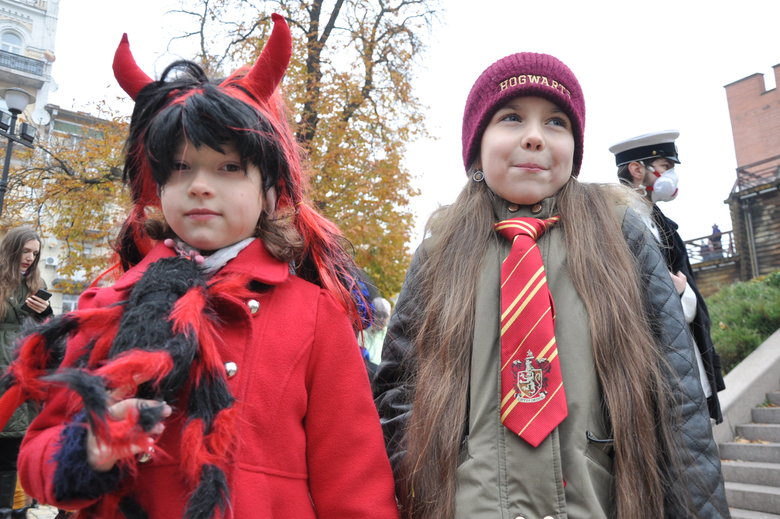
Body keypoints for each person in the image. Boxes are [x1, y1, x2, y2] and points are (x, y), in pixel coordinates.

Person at [1, 15, 398, 519]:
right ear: (158, 187)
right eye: (181, 168)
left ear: (270, 191)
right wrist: (89, 449)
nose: (200, 186)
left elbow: (355, 484)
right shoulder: (110, 305)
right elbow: (38, 459)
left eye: (228, 167)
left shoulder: (316, 317)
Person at [373, 52, 729, 518]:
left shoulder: (621, 237)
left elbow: (679, 403)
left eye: (556, 122)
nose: (535, 137)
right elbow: (398, 394)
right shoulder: (439, 255)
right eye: (512, 117)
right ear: (476, 145)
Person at [610, 131, 726, 422]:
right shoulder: (617, 223)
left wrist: (684, 293)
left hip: (684, 363)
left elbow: (680, 287)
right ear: (638, 170)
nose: (672, 176)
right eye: (666, 166)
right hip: (658, 373)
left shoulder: (661, 222)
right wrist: (679, 294)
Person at [0, 226, 51, 518]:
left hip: (21, 377)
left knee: (11, 456)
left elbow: (50, 335)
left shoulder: (35, 284)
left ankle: (9, 512)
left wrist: (44, 313)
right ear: (11, 249)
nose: (30, 258)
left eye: (35, 252)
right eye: (26, 250)